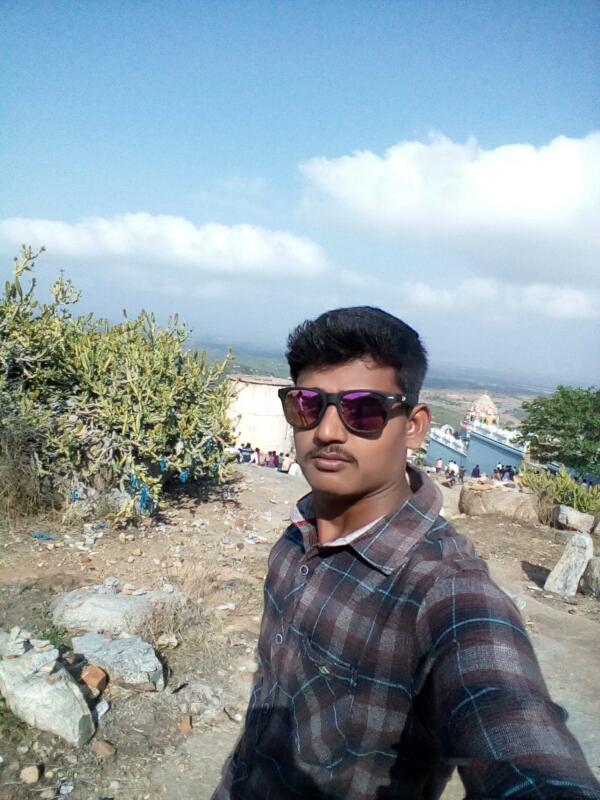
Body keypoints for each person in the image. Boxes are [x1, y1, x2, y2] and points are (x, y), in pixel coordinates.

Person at [212, 306, 599, 800]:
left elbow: (513, 725)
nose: (327, 431)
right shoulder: (295, 539)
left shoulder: (446, 592)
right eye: (307, 404)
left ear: (414, 426)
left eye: (363, 409)